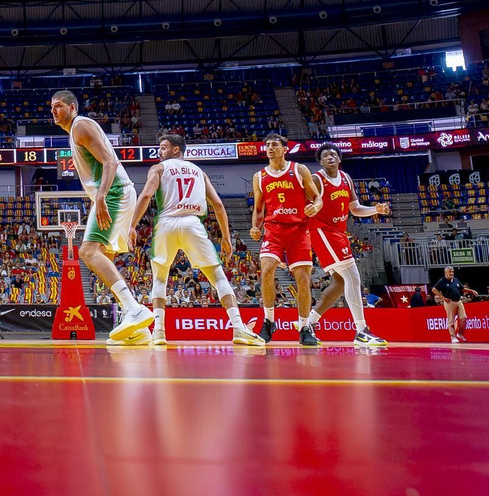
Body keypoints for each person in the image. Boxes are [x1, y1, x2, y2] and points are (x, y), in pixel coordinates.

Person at [132, 133, 260, 347]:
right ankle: (238, 328)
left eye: (163, 147)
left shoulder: (158, 169)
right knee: (218, 277)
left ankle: (159, 332)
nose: (159, 151)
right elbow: (218, 205)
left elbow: (145, 196)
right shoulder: (199, 172)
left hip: (166, 223)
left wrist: (132, 225)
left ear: (176, 150)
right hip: (192, 223)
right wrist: (226, 237)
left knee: (160, 279)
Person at [49, 90, 153, 344]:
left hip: (114, 192)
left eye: (59, 106)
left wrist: (101, 197)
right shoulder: (75, 131)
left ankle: (134, 309)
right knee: (104, 260)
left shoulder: (80, 125)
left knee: (87, 252)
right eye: (51, 107)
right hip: (119, 192)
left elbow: (110, 162)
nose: (54, 110)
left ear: (72, 107)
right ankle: (137, 328)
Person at [303, 142, 391, 347]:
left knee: (340, 283)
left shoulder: (346, 178)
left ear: (339, 159)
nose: (330, 158)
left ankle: (309, 324)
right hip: (322, 232)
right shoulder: (317, 179)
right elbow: (305, 203)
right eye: (325, 156)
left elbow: (355, 209)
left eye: (333, 154)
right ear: (320, 161)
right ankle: (361, 331)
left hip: (339, 232)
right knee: (353, 276)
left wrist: (375, 209)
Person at [248, 132, 322, 345]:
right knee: (267, 270)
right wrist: (255, 226)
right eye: (267, 145)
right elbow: (259, 208)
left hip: (299, 229)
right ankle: (269, 321)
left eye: (274, 145)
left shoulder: (299, 170)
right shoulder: (259, 176)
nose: (270, 148)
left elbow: (317, 197)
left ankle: (305, 326)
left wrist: (315, 207)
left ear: (284, 148)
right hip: (274, 229)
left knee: (303, 280)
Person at [432, 266, 467, 341]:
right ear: (445, 273)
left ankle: (460, 333)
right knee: (451, 320)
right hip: (449, 302)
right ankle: (453, 336)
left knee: (463, 317)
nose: (451, 273)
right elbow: (434, 289)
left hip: (458, 301)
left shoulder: (455, 280)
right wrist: (442, 298)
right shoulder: (442, 281)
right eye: (450, 272)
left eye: (452, 272)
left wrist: (471, 291)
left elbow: (462, 289)